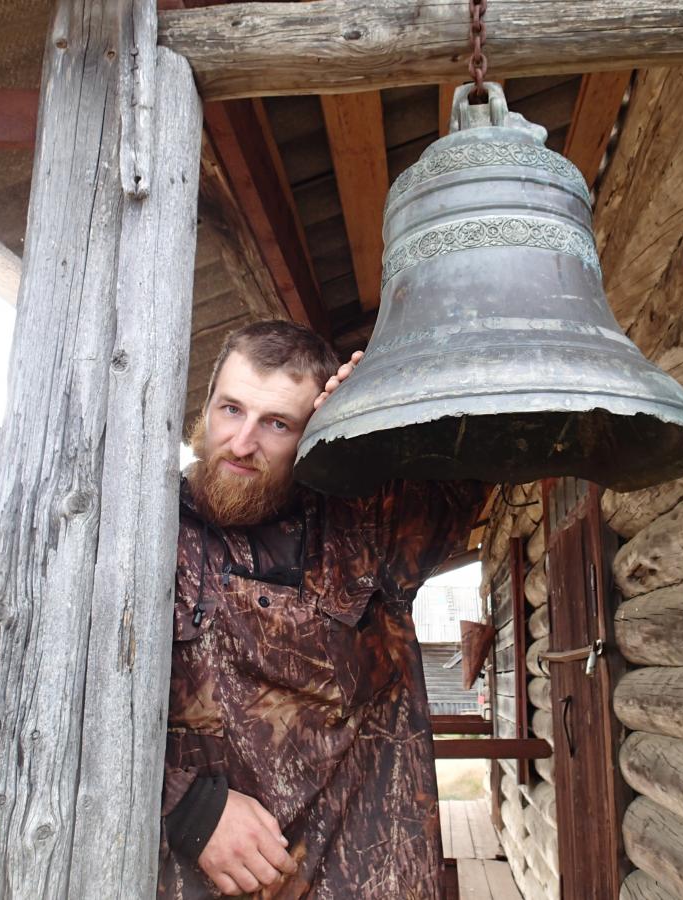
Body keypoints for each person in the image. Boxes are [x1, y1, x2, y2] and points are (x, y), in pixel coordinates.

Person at [158, 320, 488, 899]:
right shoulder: (145, 533)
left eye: (277, 424)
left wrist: (380, 404)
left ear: (312, 433)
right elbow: (64, 714)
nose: (241, 443)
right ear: (205, 406)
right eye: (231, 410)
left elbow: (477, 452)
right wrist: (185, 806)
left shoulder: (373, 527)